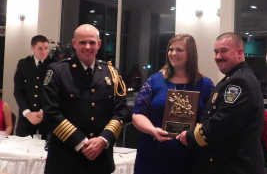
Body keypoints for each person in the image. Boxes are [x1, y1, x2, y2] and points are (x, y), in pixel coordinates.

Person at [43, 24, 127, 174]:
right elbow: (51, 113)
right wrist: (82, 143)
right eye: (82, 42)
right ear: (74, 43)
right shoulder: (57, 71)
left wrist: (103, 140)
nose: (87, 47)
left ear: (99, 44)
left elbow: (120, 112)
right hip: (65, 160)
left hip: (101, 160)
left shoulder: (111, 73)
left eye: (92, 42)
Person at [177, 32, 265, 174]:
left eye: (224, 51)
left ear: (239, 53)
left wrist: (190, 136)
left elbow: (222, 123)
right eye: (216, 52)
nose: (218, 57)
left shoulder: (238, 83)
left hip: (234, 166)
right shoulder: (234, 78)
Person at [132, 34, 215, 174]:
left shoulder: (205, 84)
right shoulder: (155, 80)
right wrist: (152, 130)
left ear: (191, 53)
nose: (173, 53)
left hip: (191, 156)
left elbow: (212, 119)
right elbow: (138, 114)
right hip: (154, 154)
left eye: (180, 50)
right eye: (171, 49)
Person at [14, 35, 56, 139]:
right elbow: (18, 91)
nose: (44, 52)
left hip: (46, 119)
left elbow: (55, 92)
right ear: (32, 48)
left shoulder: (54, 65)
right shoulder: (23, 64)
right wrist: (27, 113)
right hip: (26, 119)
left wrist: (43, 111)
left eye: (46, 48)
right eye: (40, 49)